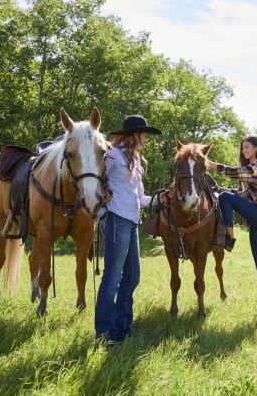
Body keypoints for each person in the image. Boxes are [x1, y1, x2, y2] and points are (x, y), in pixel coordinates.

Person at [95, 115, 161, 345]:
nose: (145, 139)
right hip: (115, 220)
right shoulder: (111, 154)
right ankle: (104, 335)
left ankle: (122, 330)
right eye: (143, 134)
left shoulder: (136, 161)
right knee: (112, 279)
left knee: (132, 277)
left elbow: (141, 198)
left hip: (132, 222)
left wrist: (162, 198)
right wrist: (102, 201)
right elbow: (93, 179)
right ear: (134, 135)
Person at [206, 136, 257, 318]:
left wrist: (211, 165)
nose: (244, 150)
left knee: (224, 198)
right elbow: (239, 194)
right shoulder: (248, 172)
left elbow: (234, 172)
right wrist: (219, 190)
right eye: (242, 148)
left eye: (247, 147)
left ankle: (229, 238)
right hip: (256, 223)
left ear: (256, 148)